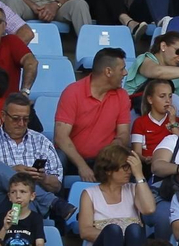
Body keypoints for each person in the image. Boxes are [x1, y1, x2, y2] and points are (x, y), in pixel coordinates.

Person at [0, 93, 63, 222]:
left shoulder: (42, 141)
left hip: (33, 205)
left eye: (25, 119)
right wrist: (12, 171)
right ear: (3, 116)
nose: (21, 123)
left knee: (25, 199)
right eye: (15, 118)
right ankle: (51, 201)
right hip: (2, 203)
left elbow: (57, 185)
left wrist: (44, 178)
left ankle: (26, 226)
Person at [54, 48, 131, 182]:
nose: (125, 73)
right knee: (58, 160)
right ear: (108, 71)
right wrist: (82, 166)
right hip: (73, 158)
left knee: (131, 163)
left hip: (105, 158)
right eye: (122, 69)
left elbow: (124, 133)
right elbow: (60, 137)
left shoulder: (122, 95)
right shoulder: (73, 92)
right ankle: (55, 203)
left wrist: (117, 143)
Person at [78, 144, 153, 246]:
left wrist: (139, 175)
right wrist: (116, 237)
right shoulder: (89, 194)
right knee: (112, 229)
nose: (129, 171)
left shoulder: (134, 189)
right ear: (108, 170)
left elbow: (149, 209)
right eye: (125, 167)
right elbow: (85, 231)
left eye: (130, 167)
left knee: (135, 228)